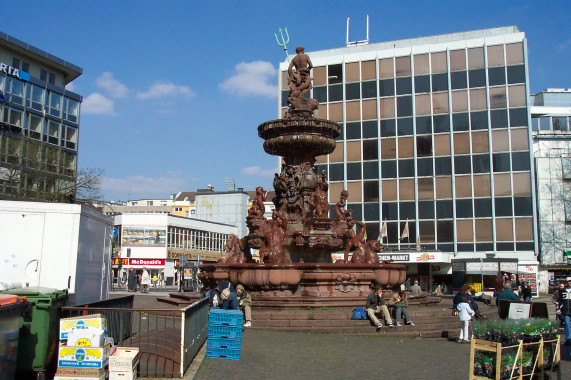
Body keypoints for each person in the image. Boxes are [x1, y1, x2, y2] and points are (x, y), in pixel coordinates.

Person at [556, 277, 571, 345]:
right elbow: (560, 301)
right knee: (567, 324)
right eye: (569, 281)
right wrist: (559, 308)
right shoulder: (562, 291)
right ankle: (568, 339)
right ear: (566, 283)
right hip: (566, 311)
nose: (570, 282)